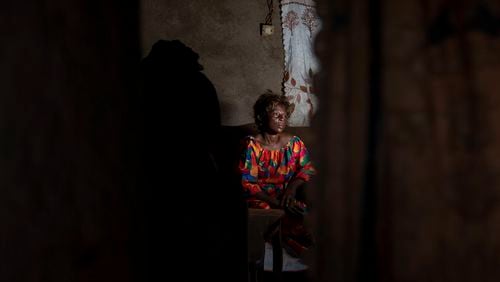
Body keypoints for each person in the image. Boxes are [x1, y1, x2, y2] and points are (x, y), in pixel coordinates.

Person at [239, 90, 316, 278]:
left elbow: (307, 168)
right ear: (263, 117)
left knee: (302, 213)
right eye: (276, 115)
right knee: (268, 218)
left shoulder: (294, 144)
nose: (282, 119)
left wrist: (290, 191)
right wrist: (275, 202)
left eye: (284, 116)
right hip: (261, 200)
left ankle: (304, 253)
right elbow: (248, 183)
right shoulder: (252, 146)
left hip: (286, 197)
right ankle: (267, 258)